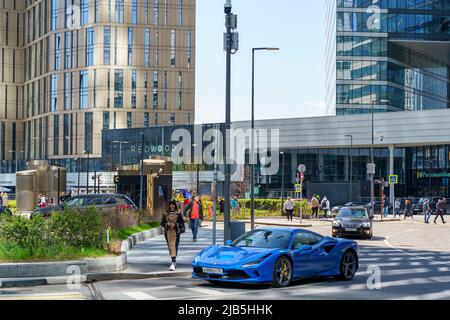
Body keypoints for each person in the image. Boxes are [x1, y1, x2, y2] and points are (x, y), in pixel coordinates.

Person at [160, 200, 185, 271]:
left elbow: (181, 223)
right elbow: (162, 223)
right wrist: (166, 225)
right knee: (170, 246)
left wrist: (176, 225)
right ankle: (173, 260)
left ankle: (173, 262)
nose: (172, 206)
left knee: (174, 246)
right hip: (168, 232)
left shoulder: (178, 213)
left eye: (173, 205)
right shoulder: (166, 213)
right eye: (170, 205)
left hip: (176, 232)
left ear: (175, 205)